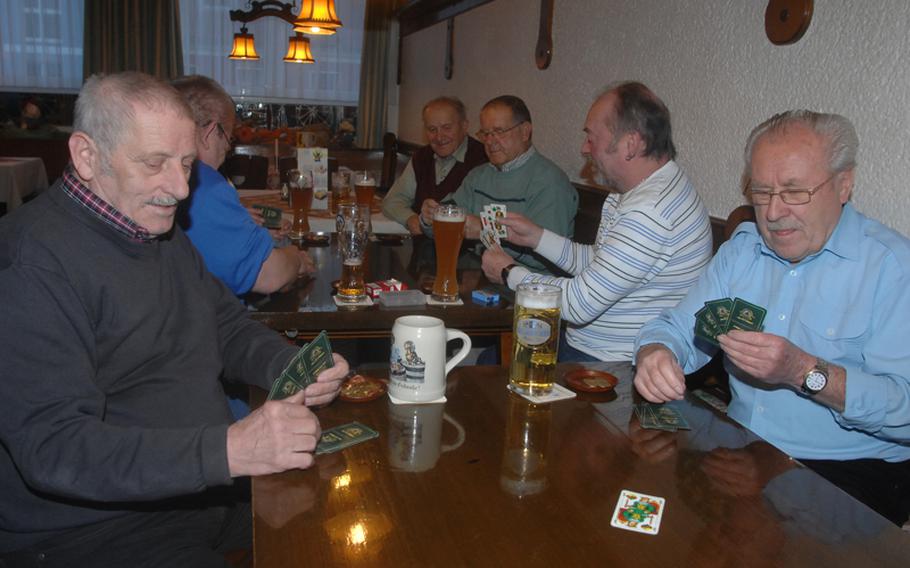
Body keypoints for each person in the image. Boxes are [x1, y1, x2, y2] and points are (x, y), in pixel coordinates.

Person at [0, 72, 350, 566]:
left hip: (197, 489)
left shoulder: (151, 226)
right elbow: (56, 449)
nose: (180, 188)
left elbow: (225, 324)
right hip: (89, 529)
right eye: (154, 163)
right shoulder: (30, 263)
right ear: (86, 155)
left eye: (187, 164)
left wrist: (288, 365)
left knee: (353, 513)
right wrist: (227, 450)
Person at [634, 109, 910, 526]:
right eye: (761, 192)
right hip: (744, 447)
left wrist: (803, 371)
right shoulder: (741, 252)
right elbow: (674, 327)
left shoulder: (893, 268)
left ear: (844, 184)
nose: (774, 212)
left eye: (795, 192)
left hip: (850, 467)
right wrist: (656, 352)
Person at [481, 82, 712, 361]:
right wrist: (537, 238)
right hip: (595, 351)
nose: (585, 148)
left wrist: (508, 272)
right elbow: (598, 264)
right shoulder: (642, 190)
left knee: (490, 367)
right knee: (491, 361)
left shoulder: (649, 211)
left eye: (592, 137)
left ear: (631, 143)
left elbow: (579, 304)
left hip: (614, 365)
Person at [173, 75, 312, 296]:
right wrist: (296, 257)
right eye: (228, 139)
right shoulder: (204, 184)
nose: (228, 150)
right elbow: (270, 276)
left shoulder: (162, 177)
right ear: (211, 133)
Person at [421, 95, 578, 273]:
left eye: (499, 131)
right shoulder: (478, 176)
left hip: (530, 289)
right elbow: (445, 228)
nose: (490, 141)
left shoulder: (550, 182)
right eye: (485, 133)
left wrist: (485, 230)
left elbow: (547, 257)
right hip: (482, 277)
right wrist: (429, 218)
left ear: (525, 132)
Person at [381, 96, 488, 235]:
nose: (439, 137)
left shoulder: (483, 159)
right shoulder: (421, 157)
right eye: (432, 129)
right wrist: (411, 219)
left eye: (446, 127)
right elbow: (392, 201)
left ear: (464, 126)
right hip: (424, 248)